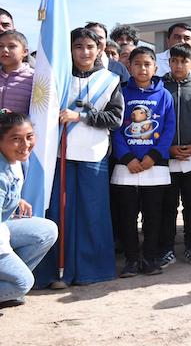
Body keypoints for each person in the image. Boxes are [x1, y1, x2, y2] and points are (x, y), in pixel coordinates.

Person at [34, 28, 122, 289]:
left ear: (99, 50)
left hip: (93, 156)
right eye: (78, 46)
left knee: (93, 214)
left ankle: (91, 270)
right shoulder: (58, 78)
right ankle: (58, 270)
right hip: (60, 155)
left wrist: (81, 117)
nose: (84, 52)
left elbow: (115, 119)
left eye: (90, 46)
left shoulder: (110, 79)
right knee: (60, 212)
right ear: (70, 49)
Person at [111, 46, 176, 277]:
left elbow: (169, 128)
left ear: (155, 67)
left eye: (147, 64)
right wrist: (127, 157)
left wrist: (154, 156)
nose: (142, 68)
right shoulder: (119, 92)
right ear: (129, 67)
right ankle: (130, 260)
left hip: (154, 167)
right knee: (127, 217)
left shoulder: (165, 95)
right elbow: (115, 127)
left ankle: (149, 259)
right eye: (137, 64)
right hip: (126, 166)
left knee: (153, 217)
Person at [0, 112, 57, 308]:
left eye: (29, 136)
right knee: (23, 283)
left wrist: (16, 200)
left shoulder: (16, 159)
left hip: (3, 226)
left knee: (46, 230)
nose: (25, 144)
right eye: (16, 139)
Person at [162, 44, 191, 266]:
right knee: (167, 206)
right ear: (169, 62)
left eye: (184, 61)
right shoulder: (160, 88)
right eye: (175, 61)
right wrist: (167, 148)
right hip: (166, 158)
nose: (179, 65)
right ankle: (166, 248)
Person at [0, 31, 34, 114]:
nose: (4, 50)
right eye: (0, 46)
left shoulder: (34, 78)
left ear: (25, 52)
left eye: (11, 46)